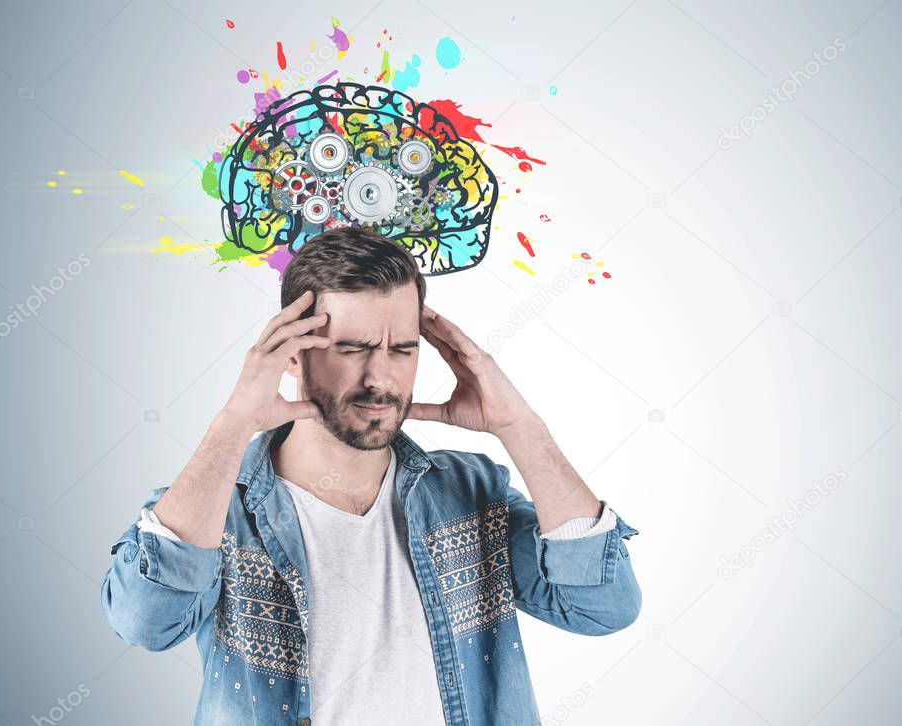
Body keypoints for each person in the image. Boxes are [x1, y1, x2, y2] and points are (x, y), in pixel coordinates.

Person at [100, 227, 642, 726]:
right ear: (291, 354)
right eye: (353, 348)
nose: (380, 378)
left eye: (402, 349)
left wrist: (520, 426)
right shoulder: (215, 510)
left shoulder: (472, 493)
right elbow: (146, 622)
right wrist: (233, 424)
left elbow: (600, 608)